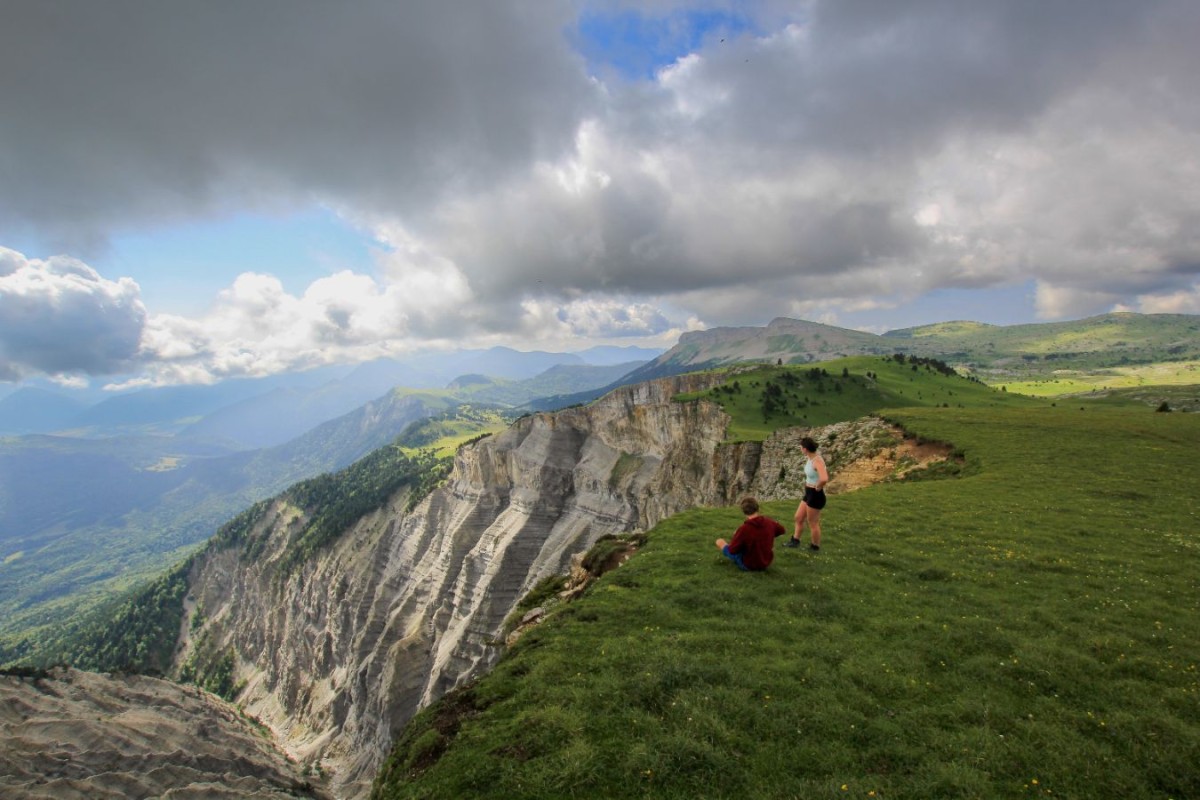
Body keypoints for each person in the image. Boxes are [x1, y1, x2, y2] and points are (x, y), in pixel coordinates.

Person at [715, 496, 786, 571]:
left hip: (749, 565)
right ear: (758, 508)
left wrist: (736, 535)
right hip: (765, 563)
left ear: (743, 511)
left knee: (720, 542)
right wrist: (767, 534)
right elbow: (782, 530)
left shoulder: (744, 529)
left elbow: (732, 550)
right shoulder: (769, 522)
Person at [784, 436, 829, 551]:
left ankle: (815, 547)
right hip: (808, 493)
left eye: (801, 447)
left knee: (812, 523)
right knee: (798, 517)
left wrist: (818, 487)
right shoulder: (809, 458)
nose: (800, 449)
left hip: (815, 495)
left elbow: (824, 478)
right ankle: (795, 541)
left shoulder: (817, 460)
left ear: (805, 449)